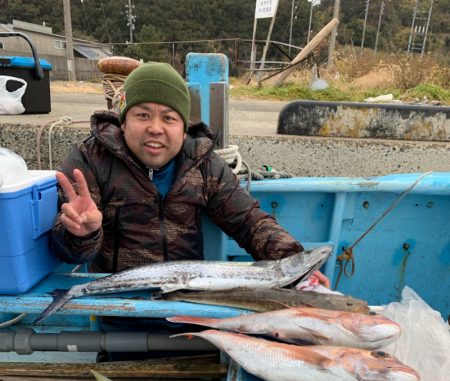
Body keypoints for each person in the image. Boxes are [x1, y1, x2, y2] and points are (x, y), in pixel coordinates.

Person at [50, 61, 329, 358]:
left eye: (169, 118)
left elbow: (249, 221)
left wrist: (294, 263)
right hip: (121, 311)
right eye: (142, 115)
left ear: (183, 127)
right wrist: (83, 234)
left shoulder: (203, 164)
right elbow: (68, 250)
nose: (155, 128)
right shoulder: (92, 160)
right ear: (123, 119)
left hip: (191, 309)